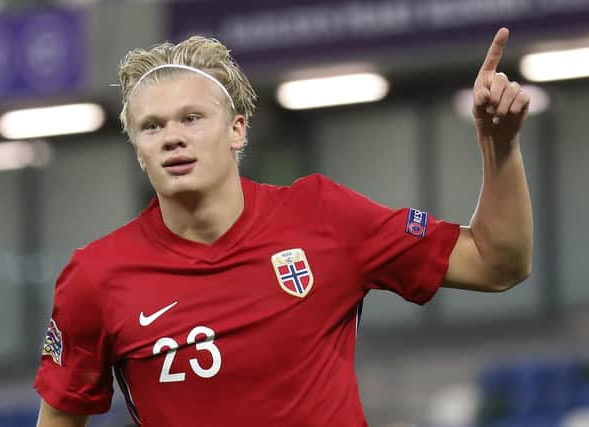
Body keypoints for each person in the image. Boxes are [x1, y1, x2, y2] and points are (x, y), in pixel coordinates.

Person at [34, 27, 532, 427]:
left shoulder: (323, 216)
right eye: (152, 126)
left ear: (237, 129)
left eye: (191, 118)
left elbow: (498, 263)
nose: (172, 139)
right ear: (138, 149)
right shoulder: (96, 276)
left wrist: (500, 147)